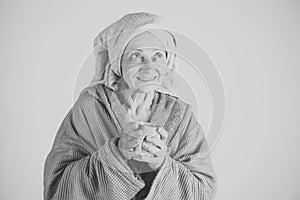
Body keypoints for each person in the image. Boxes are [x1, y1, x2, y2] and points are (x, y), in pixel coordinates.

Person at [43, 12, 217, 200]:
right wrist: (117, 154)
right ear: (119, 63)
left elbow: (204, 192)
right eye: (136, 56)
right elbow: (58, 188)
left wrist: (161, 165)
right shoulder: (90, 107)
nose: (149, 67)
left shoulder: (181, 114)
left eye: (157, 55)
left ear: (168, 61)